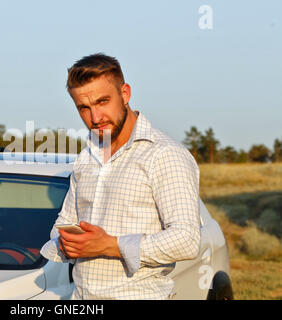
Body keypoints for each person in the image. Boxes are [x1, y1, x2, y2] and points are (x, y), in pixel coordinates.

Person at [40, 53, 201, 300]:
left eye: (103, 101)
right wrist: (68, 243)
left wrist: (111, 245)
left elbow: (186, 239)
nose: (95, 118)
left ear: (125, 94)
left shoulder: (164, 154)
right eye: (84, 108)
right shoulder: (87, 156)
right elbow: (63, 224)